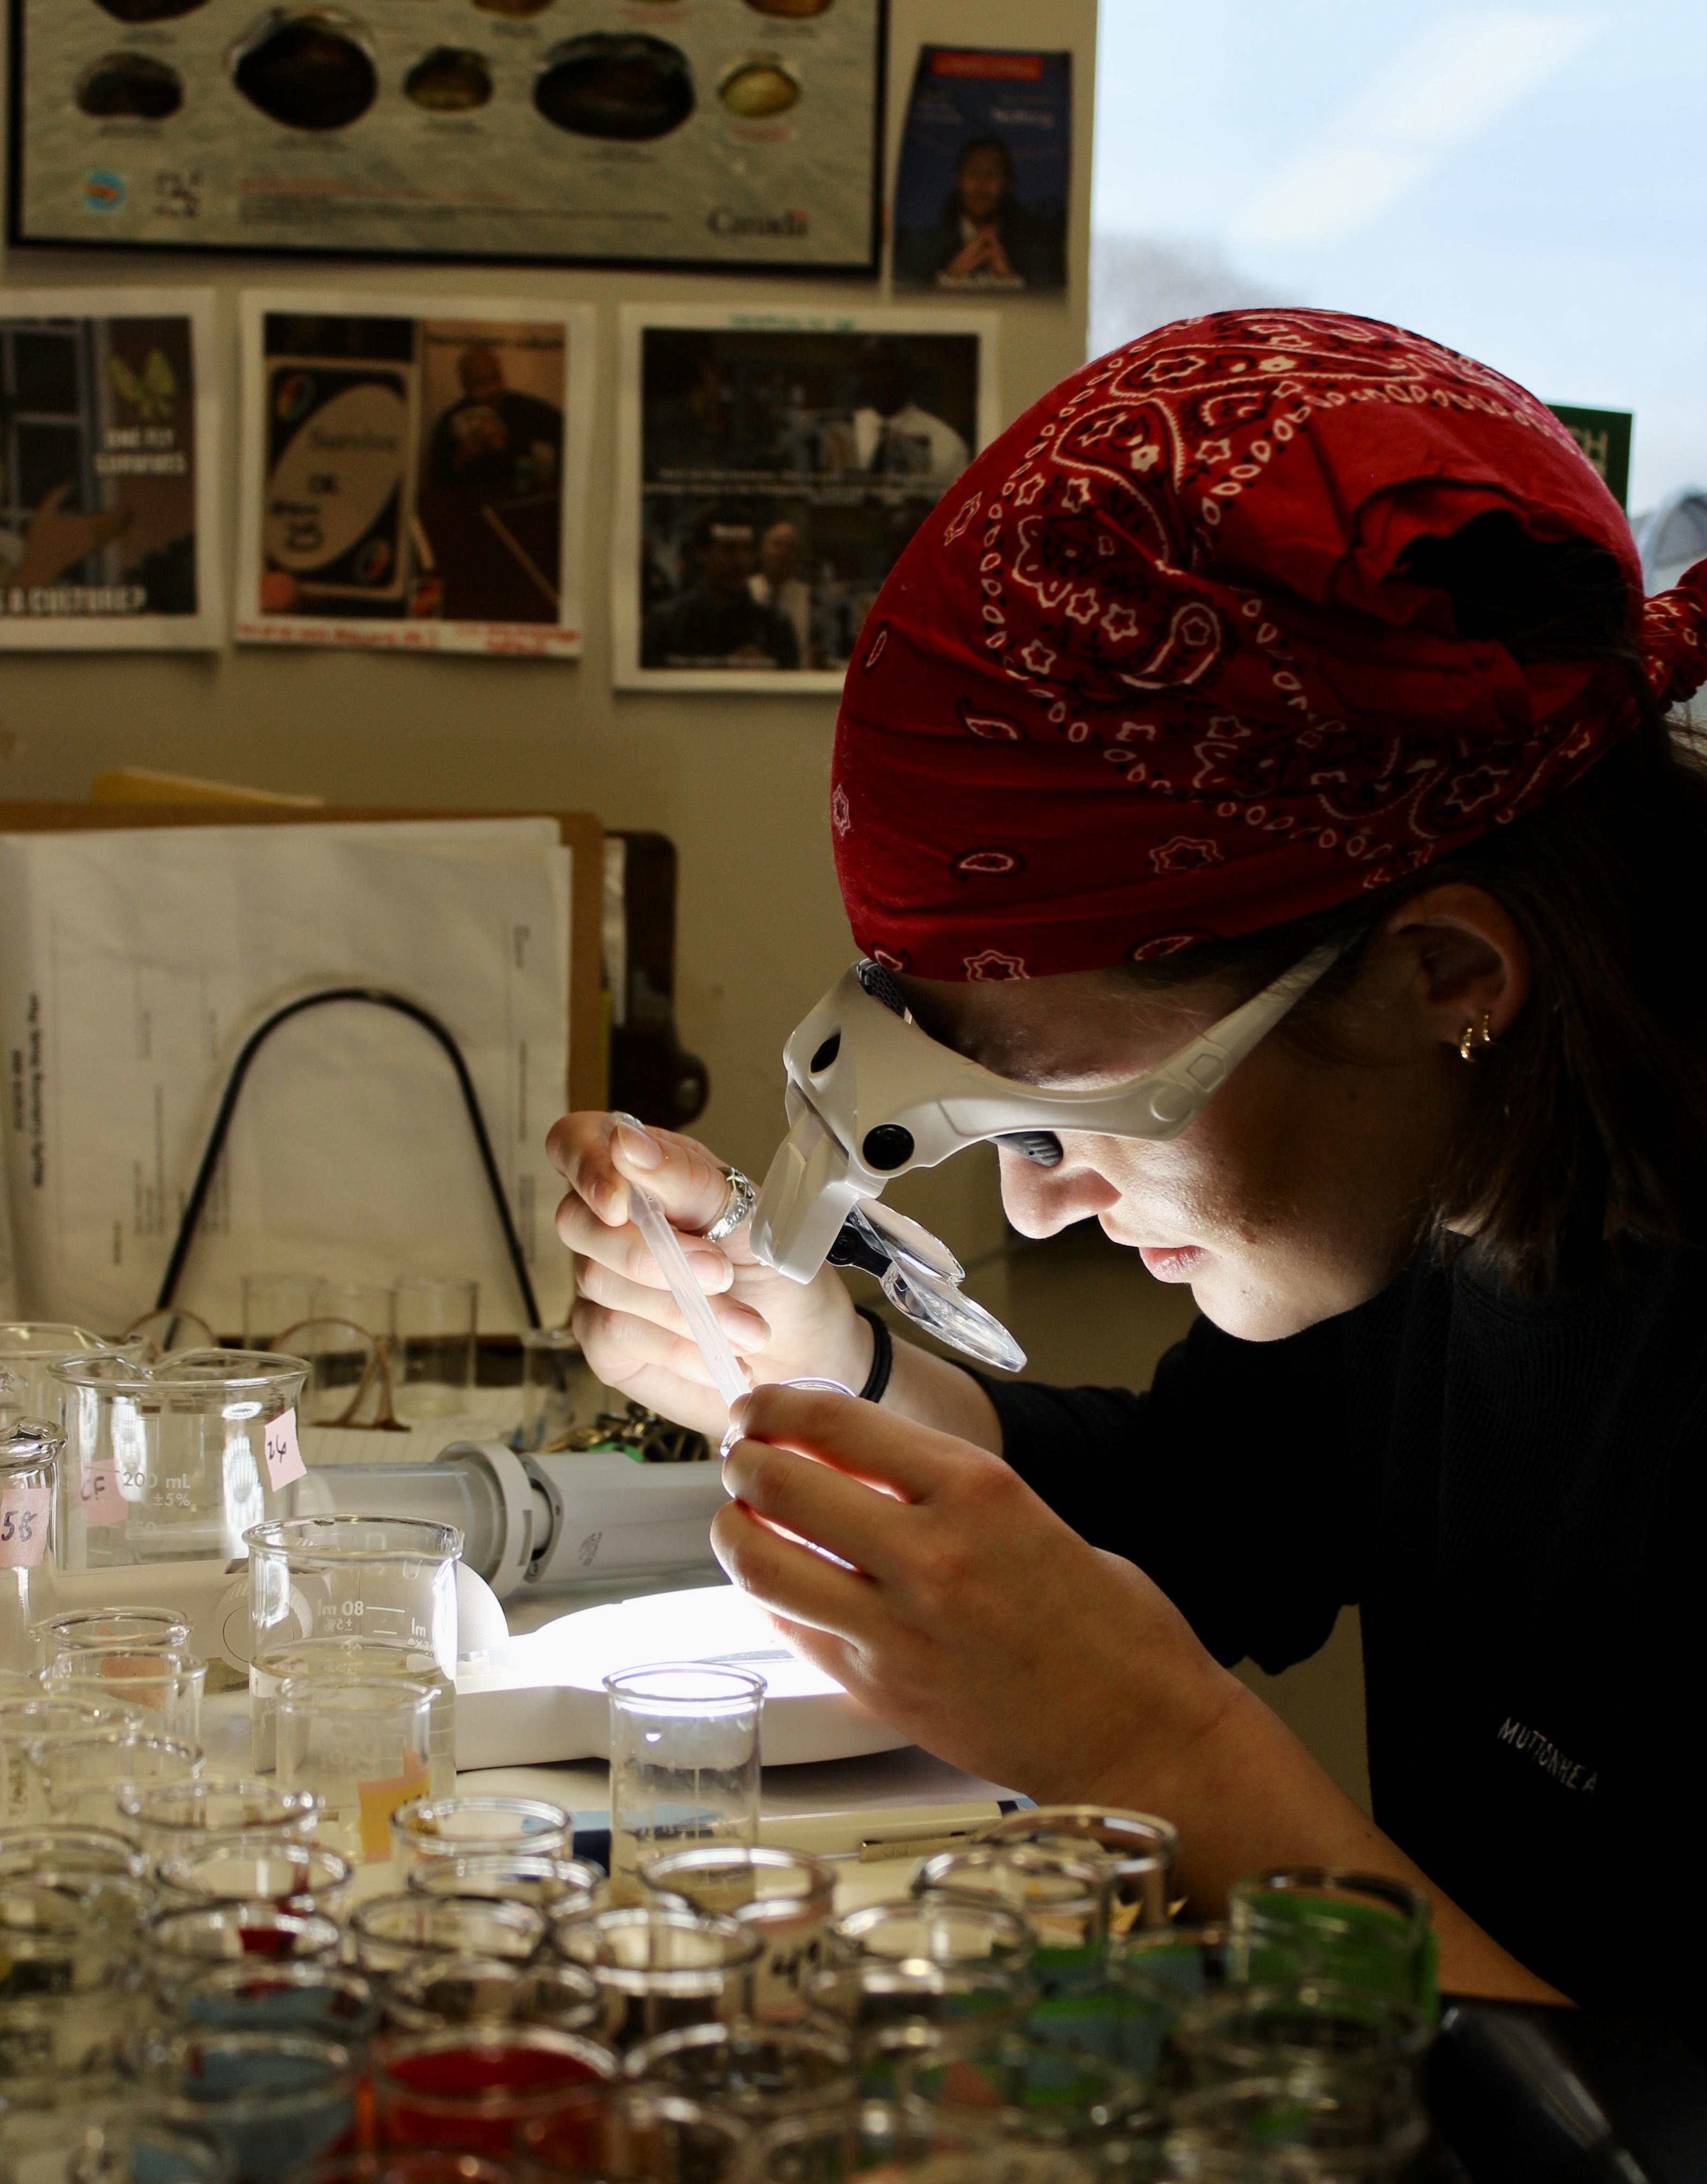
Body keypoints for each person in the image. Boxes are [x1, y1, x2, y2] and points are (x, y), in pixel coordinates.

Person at [549, 310, 1707, 2040]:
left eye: (1065, 1113)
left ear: (1442, 976)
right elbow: (1196, 1505)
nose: (1030, 1205)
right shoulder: (1448, 1160)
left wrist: (1158, 1756)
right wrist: (818, 1360)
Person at [894, 135, 1066, 291]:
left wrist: (1012, 283)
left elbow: (1052, 313)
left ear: (1009, 184)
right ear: (958, 181)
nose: (982, 182)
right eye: (974, 172)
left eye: (993, 173)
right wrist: (947, 281)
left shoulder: (1034, 253)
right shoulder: (920, 247)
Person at [641, 507, 799, 670]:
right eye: (728, 549)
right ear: (702, 552)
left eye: (747, 549)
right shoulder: (666, 624)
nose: (741, 561)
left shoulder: (775, 626)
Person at [813, 346, 970, 488]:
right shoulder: (839, 434)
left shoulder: (945, 442)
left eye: (881, 369)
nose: (870, 378)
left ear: (906, 375)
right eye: (865, 369)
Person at [425, 343, 562, 499]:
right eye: (481, 383)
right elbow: (436, 483)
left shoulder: (521, 408)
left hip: (518, 502)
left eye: (496, 378)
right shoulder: (450, 421)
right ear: (466, 386)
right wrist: (461, 458)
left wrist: (559, 485)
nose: (493, 389)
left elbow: (564, 429)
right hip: (470, 507)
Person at [749, 520, 812, 663]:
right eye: (777, 545)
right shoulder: (745, 592)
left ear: (799, 556)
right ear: (762, 549)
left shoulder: (809, 598)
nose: (783, 552)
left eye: (791, 548)